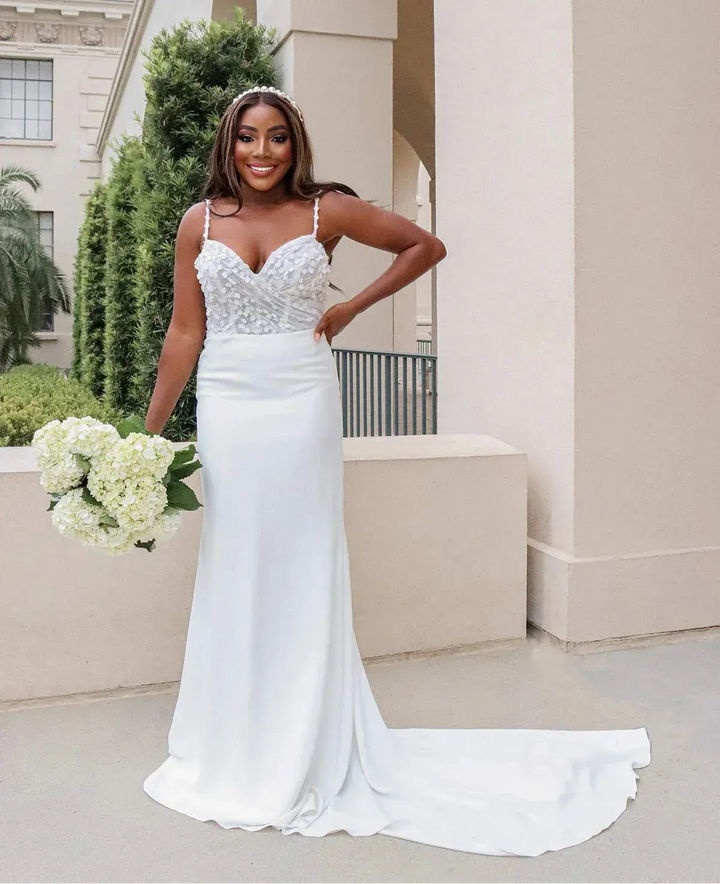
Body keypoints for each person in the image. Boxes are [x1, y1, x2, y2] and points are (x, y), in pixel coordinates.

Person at [142, 85, 651, 856]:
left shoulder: (327, 212)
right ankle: (236, 738)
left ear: (294, 145)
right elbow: (186, 331)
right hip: (229, 402)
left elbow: (425, 246)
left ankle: (308, 742)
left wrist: (351, 309)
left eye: (277, 138)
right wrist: (147, 438)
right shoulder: (198, 222)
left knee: (304, 557)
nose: (262, 153)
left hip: (300, 400)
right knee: (237, 557)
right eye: (248, 137)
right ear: (229, 143)